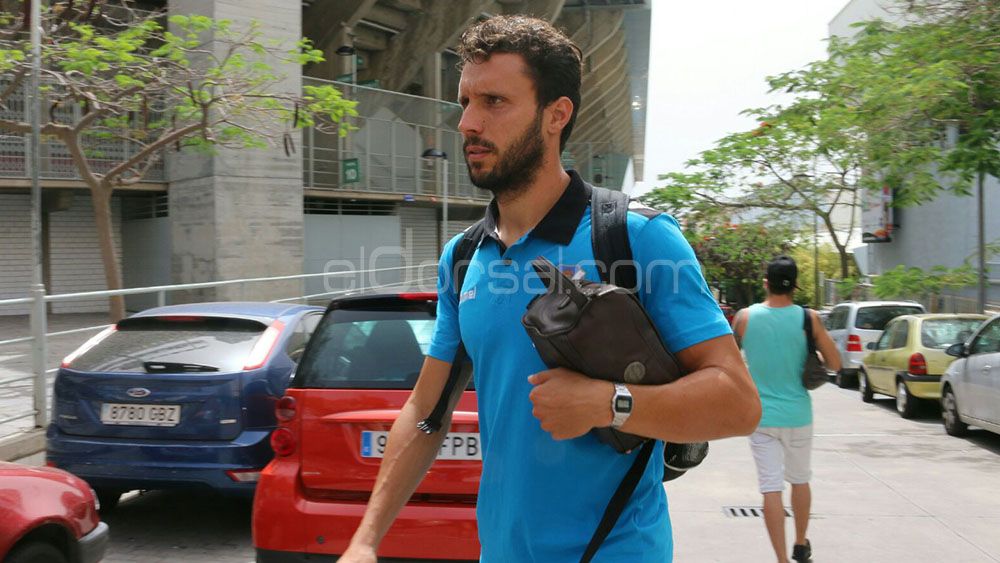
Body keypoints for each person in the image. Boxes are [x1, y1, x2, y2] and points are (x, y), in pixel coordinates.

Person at [339, 15, 761, 563]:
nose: (467, 122)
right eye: (465, 101)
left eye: (494, 102)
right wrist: (365, 540)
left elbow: (738, 403)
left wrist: (609, 403)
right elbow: (426, 411)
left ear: (555, 115)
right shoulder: (463, 258)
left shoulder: (636, 238)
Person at [732, 256, 841, 563]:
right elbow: (836, 364)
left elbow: (726, 363)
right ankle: (801, 543)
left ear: (765, 283)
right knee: (800, 480)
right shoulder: (810, 318)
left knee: (770, 489)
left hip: (760, 417)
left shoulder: (744, 317)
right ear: (794, 285)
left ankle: (781, 559)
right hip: (798, 416)